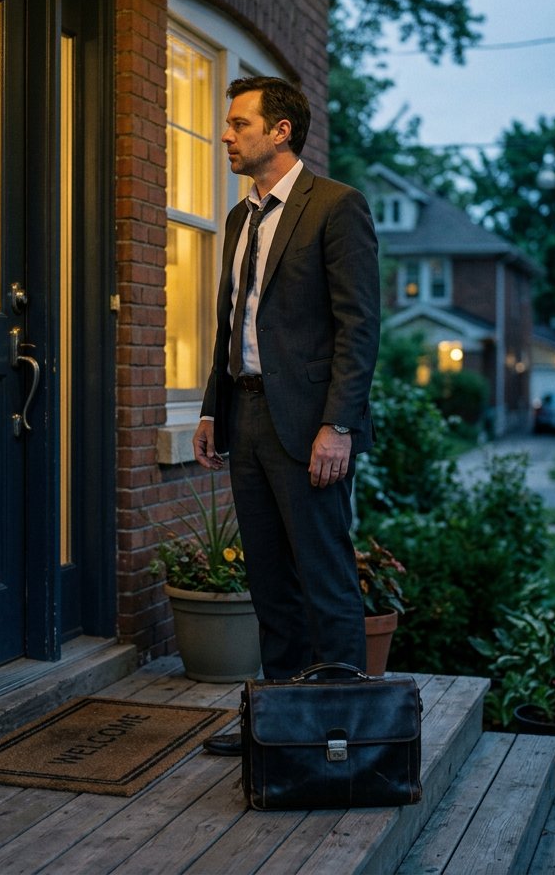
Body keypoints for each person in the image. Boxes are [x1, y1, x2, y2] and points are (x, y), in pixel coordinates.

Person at [193, 76, 381, 753]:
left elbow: (358, 328)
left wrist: (340, 424)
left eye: (239, 123)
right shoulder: (241, 219)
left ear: (281, 131)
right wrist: (213, 407)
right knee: (268, 578)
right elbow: (231, 323)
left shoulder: (335, 207)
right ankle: (280, 720)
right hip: (243, 415)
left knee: (323, 577)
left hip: (308, 426)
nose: (225, 134)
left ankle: (343, 730)